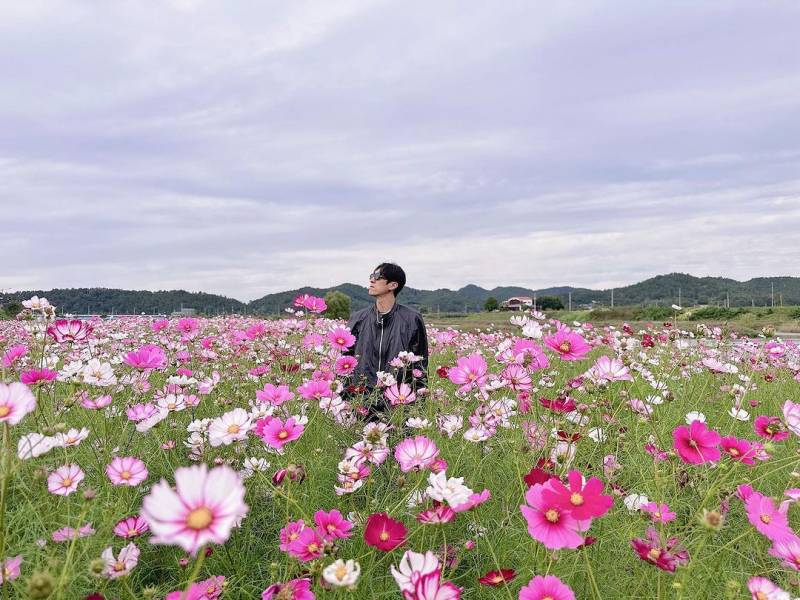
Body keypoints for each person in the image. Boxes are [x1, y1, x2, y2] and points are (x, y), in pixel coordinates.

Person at [345, 262, 428, 420]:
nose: (372, 280)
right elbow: (345, 360)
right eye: (371, 276)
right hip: (362, 399)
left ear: (393, 285)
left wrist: (419, 406)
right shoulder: (358, 318)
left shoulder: (412, 319)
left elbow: (420, 364)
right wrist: (344, 398)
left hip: (397, 401)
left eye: (377, 277)